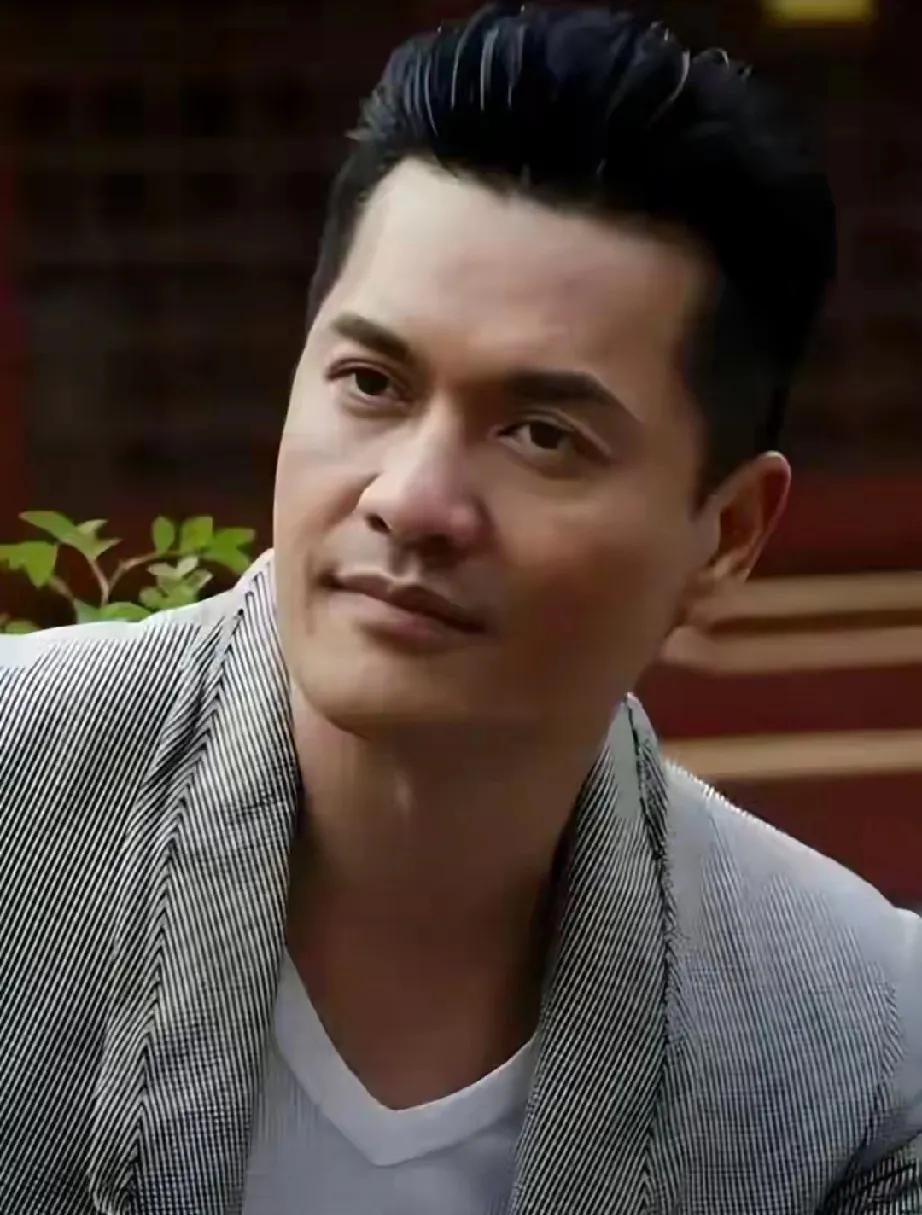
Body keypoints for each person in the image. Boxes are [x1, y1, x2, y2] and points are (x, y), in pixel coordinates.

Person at [1, 4, 920, 1213]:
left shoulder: (858, 1057)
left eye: (542, 435)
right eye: (370, 382)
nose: (412, 499)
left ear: (727, 534)